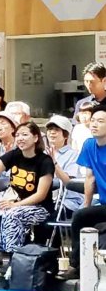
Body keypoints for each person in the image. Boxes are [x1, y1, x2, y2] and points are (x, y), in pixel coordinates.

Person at [0, 122, 54, 275]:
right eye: (18, 135)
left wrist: (16, 205)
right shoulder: (14, 155)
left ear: (35, 138)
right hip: (12, 202)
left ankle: (12, 260)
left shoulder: (45, 161)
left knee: (11, 215)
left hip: (39, 207)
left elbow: (40, 194)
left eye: (25, 134)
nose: (20, 138)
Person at [61, 104, 106, 281]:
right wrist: (86, 205)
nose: (94, 124)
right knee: (81, 216)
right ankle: (75, 265)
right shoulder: (89, 145)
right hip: (102, 204)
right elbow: (90, 178)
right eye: (93, 120)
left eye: (100, 121)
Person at [44, 115, 83, 214]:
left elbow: (68, 183)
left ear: (65, 135)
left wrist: (54, 163)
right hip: (45, 199)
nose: (52, 132)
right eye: (50, 129)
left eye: (56, 130)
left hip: (67, 201)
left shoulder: (73, 155)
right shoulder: (42, 154)